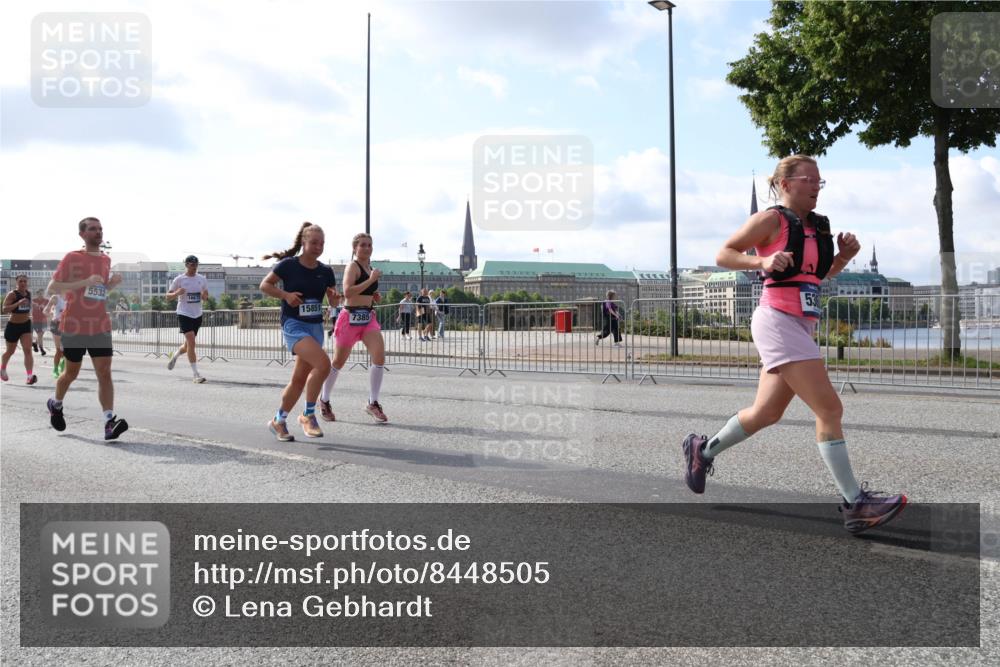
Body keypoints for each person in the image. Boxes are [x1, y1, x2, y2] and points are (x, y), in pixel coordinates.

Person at [682, 155, 905, 534]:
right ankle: (856, 503)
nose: (817, 186)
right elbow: (724, 254)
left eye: (820, 181)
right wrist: (763, 261)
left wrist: (844, 257)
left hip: (801, 325)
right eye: (809, 179)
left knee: (766, 413)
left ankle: (701, 452)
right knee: (829, 408)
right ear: (786, 185)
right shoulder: (771, 220)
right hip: (776, 320)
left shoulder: (818, 228)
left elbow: (819, 274)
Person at [45, 217, 128, 440]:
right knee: (71, 373)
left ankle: (109, 422)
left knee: (105, 373)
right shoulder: (73, 257)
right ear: (82, 234)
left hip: (100, 324)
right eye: (93, 229)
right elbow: (52, 287)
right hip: (74, 324)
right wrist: (84, 282)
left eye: (100, 229)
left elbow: (98, 292)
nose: (98, 232)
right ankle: (56, 404)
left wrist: (111, 284)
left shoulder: (105, 259)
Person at [260, 223, 338, 441]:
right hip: (294, 324)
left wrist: (334, 299)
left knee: (298, 380)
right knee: (324, 365)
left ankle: (278, 420)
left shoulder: (326, 271)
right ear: (304, 243)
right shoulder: (288, 265)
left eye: (321, 243)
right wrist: (285, 296)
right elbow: (264, 286)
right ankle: (308, 414)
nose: (318, 247)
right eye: (313, 242)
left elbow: (331, 299)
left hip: (315, 326)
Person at [318, 232, 388, 424]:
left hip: (367, 317)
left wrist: (373, 296)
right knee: (338, 362)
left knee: (379, 357)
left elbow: (364, 289)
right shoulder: (353, 266)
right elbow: (347, 292)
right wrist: (371, 280)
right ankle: (324, 399)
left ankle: (373, 402)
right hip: (349, 318)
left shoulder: (369, 267)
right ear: (355, 248)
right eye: (363, 245)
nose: (367, 248)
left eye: (370, 245)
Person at [165, 255, 210, 383]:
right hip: (184, 313)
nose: (194, 267)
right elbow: (167, 297)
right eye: (192, 265)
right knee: (191, 342)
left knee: (187, 345)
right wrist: (176, 293)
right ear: (186, 265)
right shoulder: (179, 279)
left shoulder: (202, 279)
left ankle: (176, 355)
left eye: (196, 265)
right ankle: (196, 375)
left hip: (197, 314)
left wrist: (204, 296)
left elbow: (206, 296)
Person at [2, 274, 38, 384]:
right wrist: (18, 303)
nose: (23, 283)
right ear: (16, 282)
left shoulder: (29, 294)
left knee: (28, 350)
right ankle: (2, 368)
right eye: (20, 281)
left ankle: (29, 376)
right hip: (13, 326)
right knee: (10, 351)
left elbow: (28, 307)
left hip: (26, 325)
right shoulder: (12, 294)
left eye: (25, 281)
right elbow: (4, 309)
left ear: (27, 283)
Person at [44, 294, 67, 379]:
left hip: (69, 325)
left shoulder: (73, 297)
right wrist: (50, 315)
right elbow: (45, 310)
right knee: (58, 350)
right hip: (57, 325)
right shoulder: (55, 297)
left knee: (66, 349)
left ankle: (62, 363)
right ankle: (55, 369)